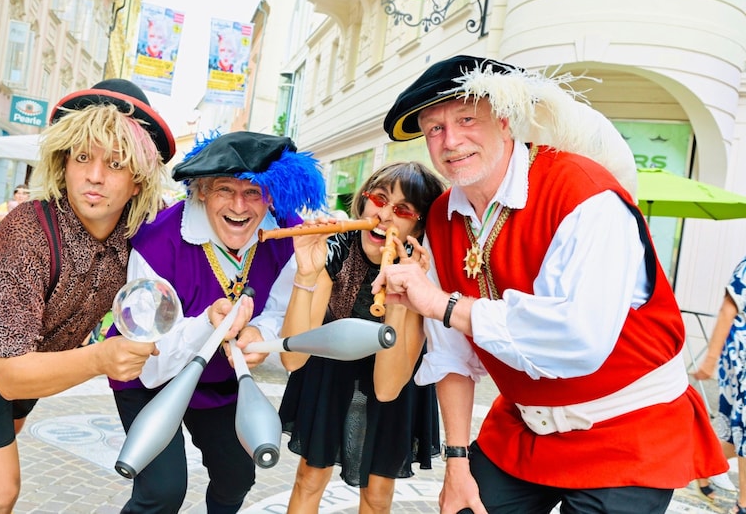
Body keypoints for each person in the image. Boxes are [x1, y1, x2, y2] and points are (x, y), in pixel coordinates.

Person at [371, 55, 728, 514]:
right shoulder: (441, 215)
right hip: (524, 427)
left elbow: (578, 336)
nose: (451, 141)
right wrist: (457, 462)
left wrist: (441, 304)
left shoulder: (584, 192)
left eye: (466, 119)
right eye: (434, 128)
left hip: (627, 429)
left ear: (504, 122)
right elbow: (451, 354)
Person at [0, 78, 176, 514]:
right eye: (83, 157)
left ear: (138, 179)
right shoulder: (27, 230)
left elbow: (200, 231)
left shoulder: (144, 231)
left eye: (115, 162)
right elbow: (8, 376)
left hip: (38, 356)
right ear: (63, 163)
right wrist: (100, 358)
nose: (94, 175)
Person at [108, 131, 327, 514]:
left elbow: (278, 309)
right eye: (226, 189)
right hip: (146, 371)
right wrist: (208, 324)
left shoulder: (289, 234)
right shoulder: (158, 240)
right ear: (203, 191)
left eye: (254, 192)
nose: (240, 206)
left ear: (271, 196)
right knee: (162, 489)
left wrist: (261, 332)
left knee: (237, 475)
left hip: (218, 378)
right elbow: (150, 348)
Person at [278, 162, 445, 513]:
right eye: (379, 199)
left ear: (419, 225)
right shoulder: (335, 249)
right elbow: (292, 359)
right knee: (309, 477)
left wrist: (403, 296)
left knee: (377, 493)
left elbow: (387, 388)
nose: (384, 215)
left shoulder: (420, 272)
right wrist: (306, 274)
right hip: (329, 365)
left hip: (394, 376)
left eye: (402, 210)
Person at [693, 255, 746, 514]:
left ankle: (700, 464)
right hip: (742, 359)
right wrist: (710, 360)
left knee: (736, 435)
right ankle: (744, 505)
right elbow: (729, 308)